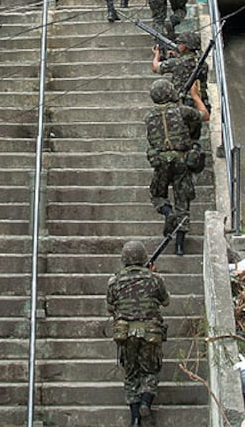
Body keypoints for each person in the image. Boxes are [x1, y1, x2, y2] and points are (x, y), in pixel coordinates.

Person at [107, 241, 170, 427]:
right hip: (150, 332)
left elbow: (110, 307)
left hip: (125, 333)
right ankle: (145, 403)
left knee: (131, 373)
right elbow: (165, 301)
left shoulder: (115, 280)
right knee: (150, 370)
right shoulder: (154, 278)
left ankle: (135, 419)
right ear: (143, 257)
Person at [144, 78, 210, 255]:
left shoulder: (149, 117)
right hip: (181, 161)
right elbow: (204, 116)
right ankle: (179, 246)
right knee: (183, 201)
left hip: (161, 162)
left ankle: (167, 212)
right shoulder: (183, 111)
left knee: (157, 194)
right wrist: (195, 97)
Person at [151, 30, 210, 112]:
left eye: (180, 43)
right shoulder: (203, 64)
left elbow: (155, 67)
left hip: (183, 104)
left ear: (185, 46)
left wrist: (157, 53)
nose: (178, 45)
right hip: (200, 104)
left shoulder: (177, 63)